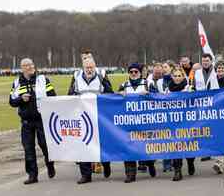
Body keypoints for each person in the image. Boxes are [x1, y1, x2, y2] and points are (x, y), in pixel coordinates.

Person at [67, 50, 113, 184]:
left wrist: (102, 87)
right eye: (87, 67)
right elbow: (70, 94)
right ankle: (85, 175)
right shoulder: (76, 76)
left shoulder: (102, 75)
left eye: (91, 67)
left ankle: (106, 163)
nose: (89, 70)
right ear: (83, 67)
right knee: (83, 145)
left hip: (99, 115)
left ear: (95, 67)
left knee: (102, 143)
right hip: (82, 117)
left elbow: (110, 93)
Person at [9, 58, 56, 185]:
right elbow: (11, 101)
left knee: (45, 146)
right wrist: (21, 99)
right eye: (27, 65)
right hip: (26, 121)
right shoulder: (17, 82)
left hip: (42, 119)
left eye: (32, 64)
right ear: (22, 68)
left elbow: (53, 95)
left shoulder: (43, 80)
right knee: (28, 149)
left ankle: (50, 164)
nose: (30, 67)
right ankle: (32, 175)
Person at [118, 63, 156, 183]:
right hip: (129, 123)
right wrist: (119, 94)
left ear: (140, 73)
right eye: (131, 72)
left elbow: (159, 98)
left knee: (146, 147)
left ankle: (150, 163)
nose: (134, 74)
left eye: (136, 72)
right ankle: (130, 174)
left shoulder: (148, 83)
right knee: (128, 147)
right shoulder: (124, 85)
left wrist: (150, 94)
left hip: (145, 121)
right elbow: (113, 100)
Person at [165, 67, 191, 181]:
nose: (177, 78)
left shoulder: (188, 87)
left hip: (187, 122)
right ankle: (177, 171)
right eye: (175, 76)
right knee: (176, 146)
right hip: (173, 122)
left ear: (183, 76)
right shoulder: (167, 90)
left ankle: (191, 162)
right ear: (172, 77)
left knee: (190, 145)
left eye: (179, 75)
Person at [193, 53, 219, 163]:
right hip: (201, 104)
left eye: (207, 61)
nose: (205, 63)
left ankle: (214, 149)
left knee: (213, 128)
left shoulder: (216, 71)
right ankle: (206, 152)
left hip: (214, 102)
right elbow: (194, 86)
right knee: (204, 129)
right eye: (203, 61)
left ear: (211, 61)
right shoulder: (197, 73)